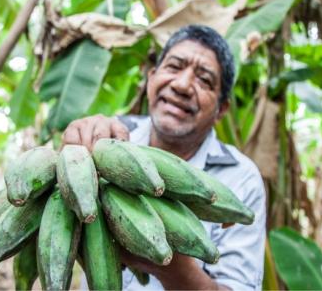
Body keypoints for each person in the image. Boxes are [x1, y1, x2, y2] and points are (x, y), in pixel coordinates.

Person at [63, 25, 266, 290]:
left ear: (221, 109)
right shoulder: (110, 137)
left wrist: (168, 266)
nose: (182, 85)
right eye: (174, 66)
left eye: (204, 80)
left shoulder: (240, 178)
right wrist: (72, 156)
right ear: (151, 77)